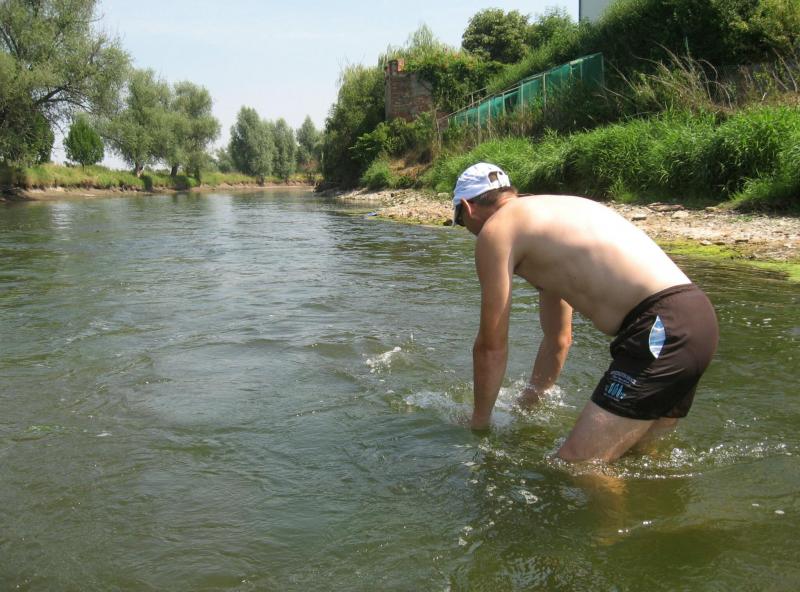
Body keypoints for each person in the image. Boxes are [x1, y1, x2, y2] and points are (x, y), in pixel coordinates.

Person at [452, 162, 718, 462]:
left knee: (578, 465)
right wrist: (530, 401)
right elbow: (558, 338)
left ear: (467, 207)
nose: (469, 231)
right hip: (695, 318)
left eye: (460, 222)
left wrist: (479, 423)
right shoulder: (550, 218)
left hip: (661, 329)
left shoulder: (497, 229)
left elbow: (491, 346)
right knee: (637, 459)